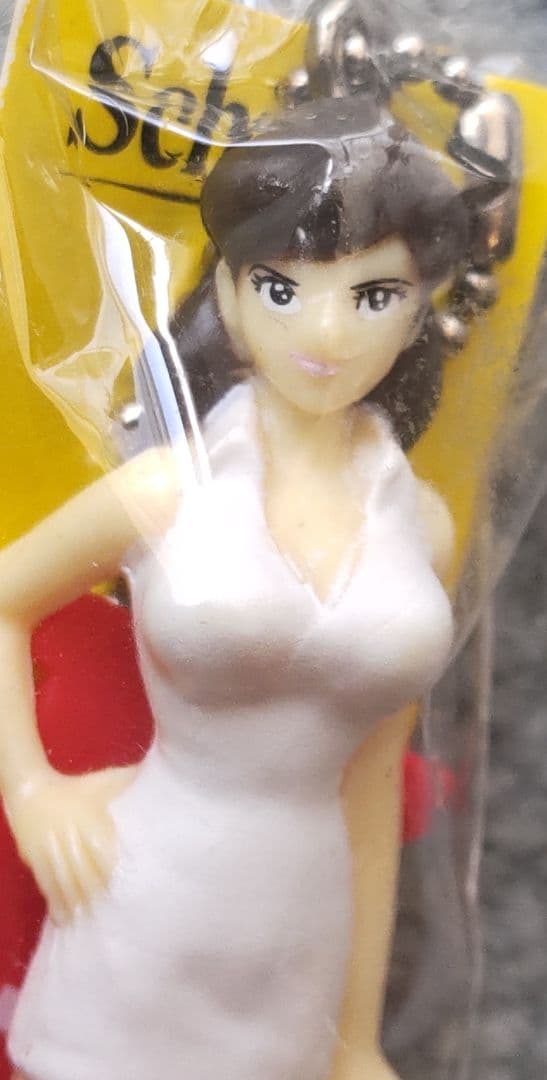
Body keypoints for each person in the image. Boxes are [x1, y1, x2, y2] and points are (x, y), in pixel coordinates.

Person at [2, 95, 466, 1080]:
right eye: (283, 287)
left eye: (373, 295)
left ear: (419, 306)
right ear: (229, 288)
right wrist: (34, 792)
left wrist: (355, 1037)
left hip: (300, 933)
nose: (326, 331)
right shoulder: (170, 489)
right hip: (139, 901)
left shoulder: (421, 527)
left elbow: (371, 787)